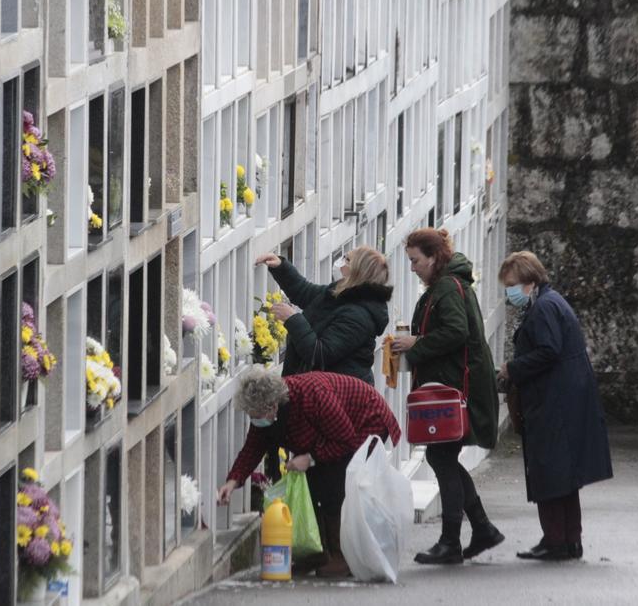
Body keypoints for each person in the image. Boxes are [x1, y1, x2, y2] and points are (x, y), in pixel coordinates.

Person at [217, 368, 402, 578]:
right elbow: (253, 447)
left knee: (334, 484)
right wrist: (233, 481)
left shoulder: (312, 397)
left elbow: (345, 439)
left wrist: (311, 458)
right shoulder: (268, 413)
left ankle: (342, 556)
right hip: (333, 434)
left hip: (365, 422)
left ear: (272, 406)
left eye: (256, 415)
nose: (255, 420)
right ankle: (318, 553)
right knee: (313, 483)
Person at [390, 228, 503, 565]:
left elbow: (456, 331)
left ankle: (452, 540)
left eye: (415, 261)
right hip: (452, 387)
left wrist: (416, 345)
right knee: (444, 459)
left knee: (441, 458)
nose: (412, 268)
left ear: (434, 257)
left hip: (454, 390)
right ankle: (481, 529)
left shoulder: (447, 288)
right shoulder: (449, 285)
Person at [497, 251, 613, 561]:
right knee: (563, 474)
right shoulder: (550, 302)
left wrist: (513, 368)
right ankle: (568, 539)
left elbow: (548, 351)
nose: (509, 292)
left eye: (511, 285)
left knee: (549, 470)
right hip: (564, 398)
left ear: (529, 282)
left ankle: (556, 540)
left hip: (553, 401)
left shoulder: (544, 308)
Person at [254, 246, 392, 385]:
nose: (341, 262)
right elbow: (305, 293)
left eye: (348, 260)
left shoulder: (358, 317)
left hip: (337, 395)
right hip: (322, 388)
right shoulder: (344, 293)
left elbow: (319, 354)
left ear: (358, 272)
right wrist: (280, 267)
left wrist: (293, 319)